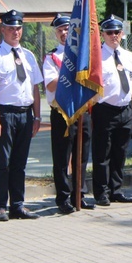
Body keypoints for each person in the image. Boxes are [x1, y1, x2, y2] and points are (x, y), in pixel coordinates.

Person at [0, 10, 43, 221]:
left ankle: (17, 205)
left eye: (18, 28)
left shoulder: (28, 55)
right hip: (6, 114)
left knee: (20, 162)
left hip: (25, 114)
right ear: (3, 30)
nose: (15, 32)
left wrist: (37, 117)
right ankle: (0, 205)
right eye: (11, 28)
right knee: (3, 162)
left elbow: (35, 88)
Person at [91, 16, 132, 206]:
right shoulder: (96, 56)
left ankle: (116, 189)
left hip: (125, 109)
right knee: (102, 154)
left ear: (122, 34)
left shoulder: (128, 56)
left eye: (117, 32)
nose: (114, 36)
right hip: (104, 109)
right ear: (102, 34)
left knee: (120, 153)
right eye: (109, 32)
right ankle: (101, 192)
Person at [44, 14, 92, 214]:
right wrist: (68, 71)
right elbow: (51, 84)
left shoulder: (84, 55)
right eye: (61, 30)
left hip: (82, 109)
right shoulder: (51, 57)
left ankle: (78, 194)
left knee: (81, 155)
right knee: (62, 157)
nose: (64, 33)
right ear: (56, 33)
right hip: (62, 110)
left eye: (68, 29)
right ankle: (63, 198)